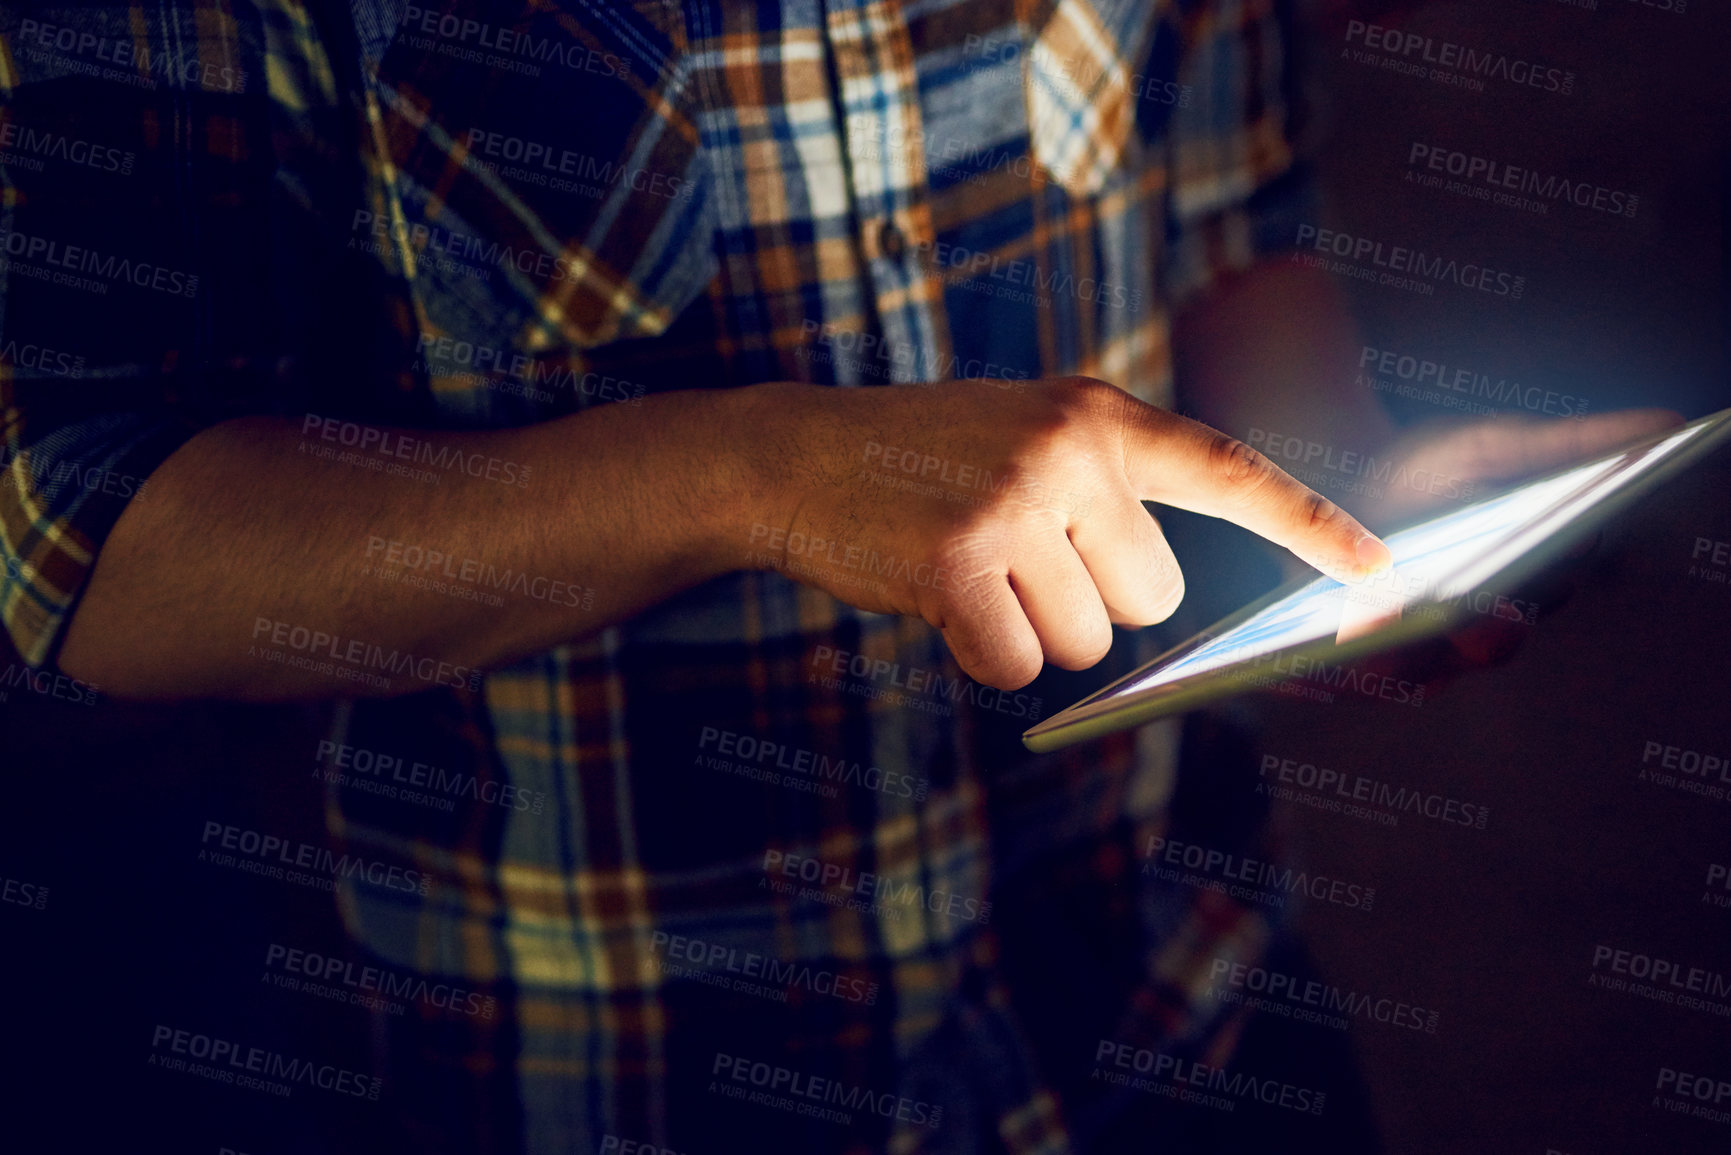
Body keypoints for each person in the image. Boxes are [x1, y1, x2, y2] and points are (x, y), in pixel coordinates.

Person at [0, 1, 1667, 1150]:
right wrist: (766, 471)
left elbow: (1232, 231)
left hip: (1184, 1011)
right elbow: (93, 539)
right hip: (616, 1073)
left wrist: (1354, 491)